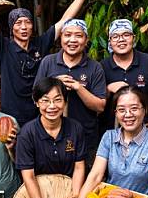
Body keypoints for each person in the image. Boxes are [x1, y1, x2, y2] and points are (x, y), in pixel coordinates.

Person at [34, 19, 106, 167]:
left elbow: (100, 106)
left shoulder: (95, 67)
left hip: (85, 137)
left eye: (78, 36)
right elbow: (35, 97)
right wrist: (54, 83)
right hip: (50, 136)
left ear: (86, 40)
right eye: (68, 35)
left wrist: (79, 88)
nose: (72, 40)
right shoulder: (48, 62)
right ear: (61, 37)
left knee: (83, 180)